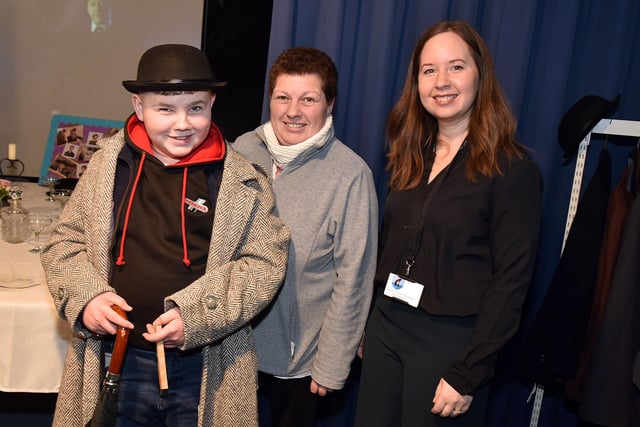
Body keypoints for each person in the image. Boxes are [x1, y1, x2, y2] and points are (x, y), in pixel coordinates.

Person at [41, 43, 290, 427]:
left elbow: (264, 264)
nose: (182, 123)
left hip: (206, 367)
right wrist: (86, 298)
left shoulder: (241, 178)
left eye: (195, 108)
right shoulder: (110, 164)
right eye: (165, 109)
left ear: (211, 103)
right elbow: (64, 242)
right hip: (115, 359)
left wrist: (194, 317)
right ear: (139, 107)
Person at [354, 21, 542, 427]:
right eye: (429, 70)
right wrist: (369, 321)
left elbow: (512, 282)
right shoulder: (409, 157)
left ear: (480, 75)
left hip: (450, 343)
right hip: (387, 326)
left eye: (456, 67)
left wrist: (468, 372)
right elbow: (389, 246)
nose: (441, 81)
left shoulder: (512, 169)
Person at [233, 47, 378, 426]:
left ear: (329, 104)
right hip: (231, 346)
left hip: (299, 362)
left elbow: (355, 279)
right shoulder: (243, 150)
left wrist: (332, 363)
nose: (292, 111)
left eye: (308, 99)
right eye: (283, 97)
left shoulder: (350, 174)